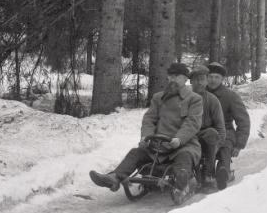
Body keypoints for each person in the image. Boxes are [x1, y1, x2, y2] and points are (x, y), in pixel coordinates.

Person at [89, 62, 202, 196]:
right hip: (159, 145)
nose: (172, 80)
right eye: (170, 77)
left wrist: (179, 139)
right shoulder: (158, 97)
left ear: (185, 78)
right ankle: (114, 178)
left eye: (176, 76)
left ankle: (181, 183)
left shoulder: (194, 99)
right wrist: (146, 136)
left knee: (184, 158)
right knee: (136, 153)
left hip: (183, 145)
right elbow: (149, 119)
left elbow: (192, 122)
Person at [206, 62, 250, 190]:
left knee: (225, 147)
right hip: (204, 131)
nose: (213, 80)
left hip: (225, 131)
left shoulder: (230, 96)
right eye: (210, 77)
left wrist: (239, 144)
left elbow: (243, 120)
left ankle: (223, 171)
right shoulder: (199, 95)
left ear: (222, 79)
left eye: (217, 77)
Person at [189, 66, 225, 185]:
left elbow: (220, 127)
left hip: (204, 136)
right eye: (196, 79)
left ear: (206, 81)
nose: (200, 83)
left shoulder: (212, 100)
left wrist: (216, 146)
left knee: (211, 133)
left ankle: (208, 174)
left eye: (202, 79)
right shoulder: (183, 98)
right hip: (186, 134)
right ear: (191, 81)